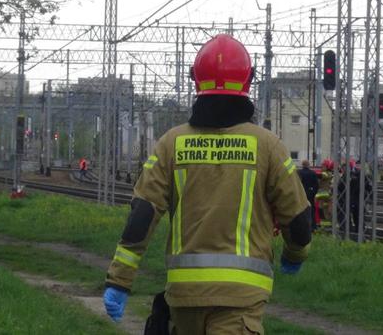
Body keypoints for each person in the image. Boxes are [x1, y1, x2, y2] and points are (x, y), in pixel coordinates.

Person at [103, 34, 312, 334]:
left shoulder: (171, 143)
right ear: (248, 82)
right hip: (241, 300)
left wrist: (119, 280)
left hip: (184, 299)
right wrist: (295, 254)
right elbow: (298, 218)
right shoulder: (268, 146)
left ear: (195, 80)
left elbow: (142, 215)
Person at [297, 160, 319, 230]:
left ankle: (301, 226)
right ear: (308, 165)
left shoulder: (299, 172)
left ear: (302, 165)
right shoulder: (313, 173)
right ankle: (313, 226)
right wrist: (313, 192)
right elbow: (316, 185)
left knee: (301, 210)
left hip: (301, 194)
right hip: (310, 194)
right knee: (311, 210)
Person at [314, 159, 334, 229]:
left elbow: (321, 175)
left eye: (323, 165)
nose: (321, 167)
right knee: (324, 209)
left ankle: (327, 223)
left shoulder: (328, 173)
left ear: (327, 167)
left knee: (315, 204)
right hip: (323, 194)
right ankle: (324, 224)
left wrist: (310, 172)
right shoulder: (326, 173)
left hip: (324, 193)